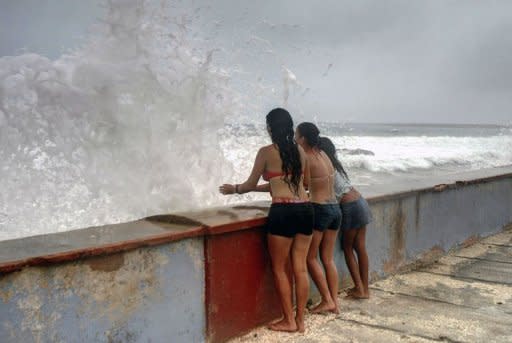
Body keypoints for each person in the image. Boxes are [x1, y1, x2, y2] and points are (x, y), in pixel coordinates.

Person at [219, 108, 313, 333]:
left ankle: (288, 320)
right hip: (306, 210)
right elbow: (306, 183)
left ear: (270, 128)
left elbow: (251, 184)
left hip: (282, 212)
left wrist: (235, 190)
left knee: (280, 268)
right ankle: (300, 321)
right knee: (300, 268)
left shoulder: (265, 152)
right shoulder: (300, 150)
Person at [295, 122, 342, 314]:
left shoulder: (305, 157)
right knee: (328, 259)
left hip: (320, 209)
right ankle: (334, 303)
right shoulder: (324, 155)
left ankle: (327, 300)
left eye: (296, 136)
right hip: (335, 209)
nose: (294, 139)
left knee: (310, 257)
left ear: (303, 139)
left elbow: (303, 183)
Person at [319, 136, 372, 299]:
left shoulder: (325, 168)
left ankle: (359, 289)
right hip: (361, 202)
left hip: (350, 207)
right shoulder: (337, 167)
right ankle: (365, 288)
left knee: (348, 248)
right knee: (360, 247)